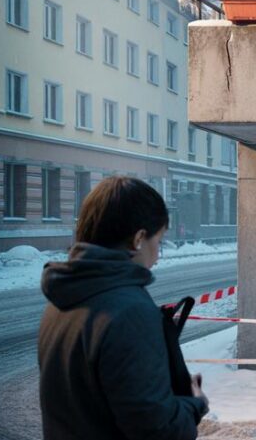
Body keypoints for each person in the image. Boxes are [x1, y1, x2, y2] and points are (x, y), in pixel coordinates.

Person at [38, 176, 209, 440]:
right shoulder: (130, 312)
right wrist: (194, 404)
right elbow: (156, 430)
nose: (157, 256)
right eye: (158, 242)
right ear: (139, 239)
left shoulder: (60, 300)